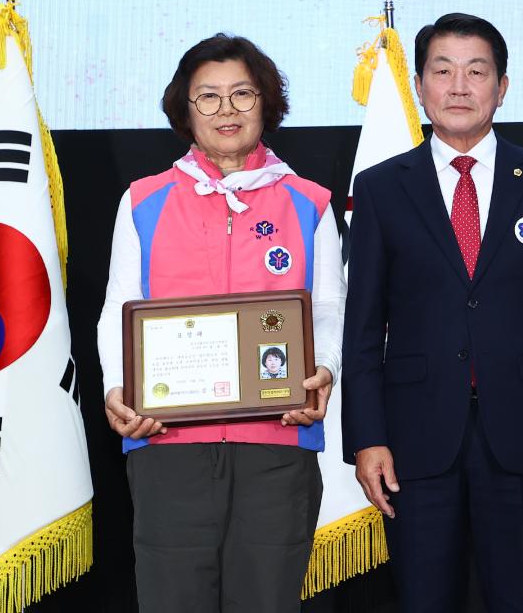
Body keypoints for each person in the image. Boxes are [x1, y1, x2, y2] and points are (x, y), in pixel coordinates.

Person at [341, 13, 523, 611]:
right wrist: (367, 438)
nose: (458, 87)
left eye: (476, 72)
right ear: (420, 86)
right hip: (415, 438)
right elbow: (363, 325)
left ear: (502, 87)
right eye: (442, 71)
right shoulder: (378, 188)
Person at [96, 34, 345, 612]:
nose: (226, 110)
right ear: (185, 108)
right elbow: (119, 306)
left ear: (266, 103)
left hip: (277, 440)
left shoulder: (309, 202)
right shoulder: (143, 200)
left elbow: (330, 309)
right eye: (207, 97)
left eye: (241, 94)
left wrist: (323, 370)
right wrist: (117, 388)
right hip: (168, 443)